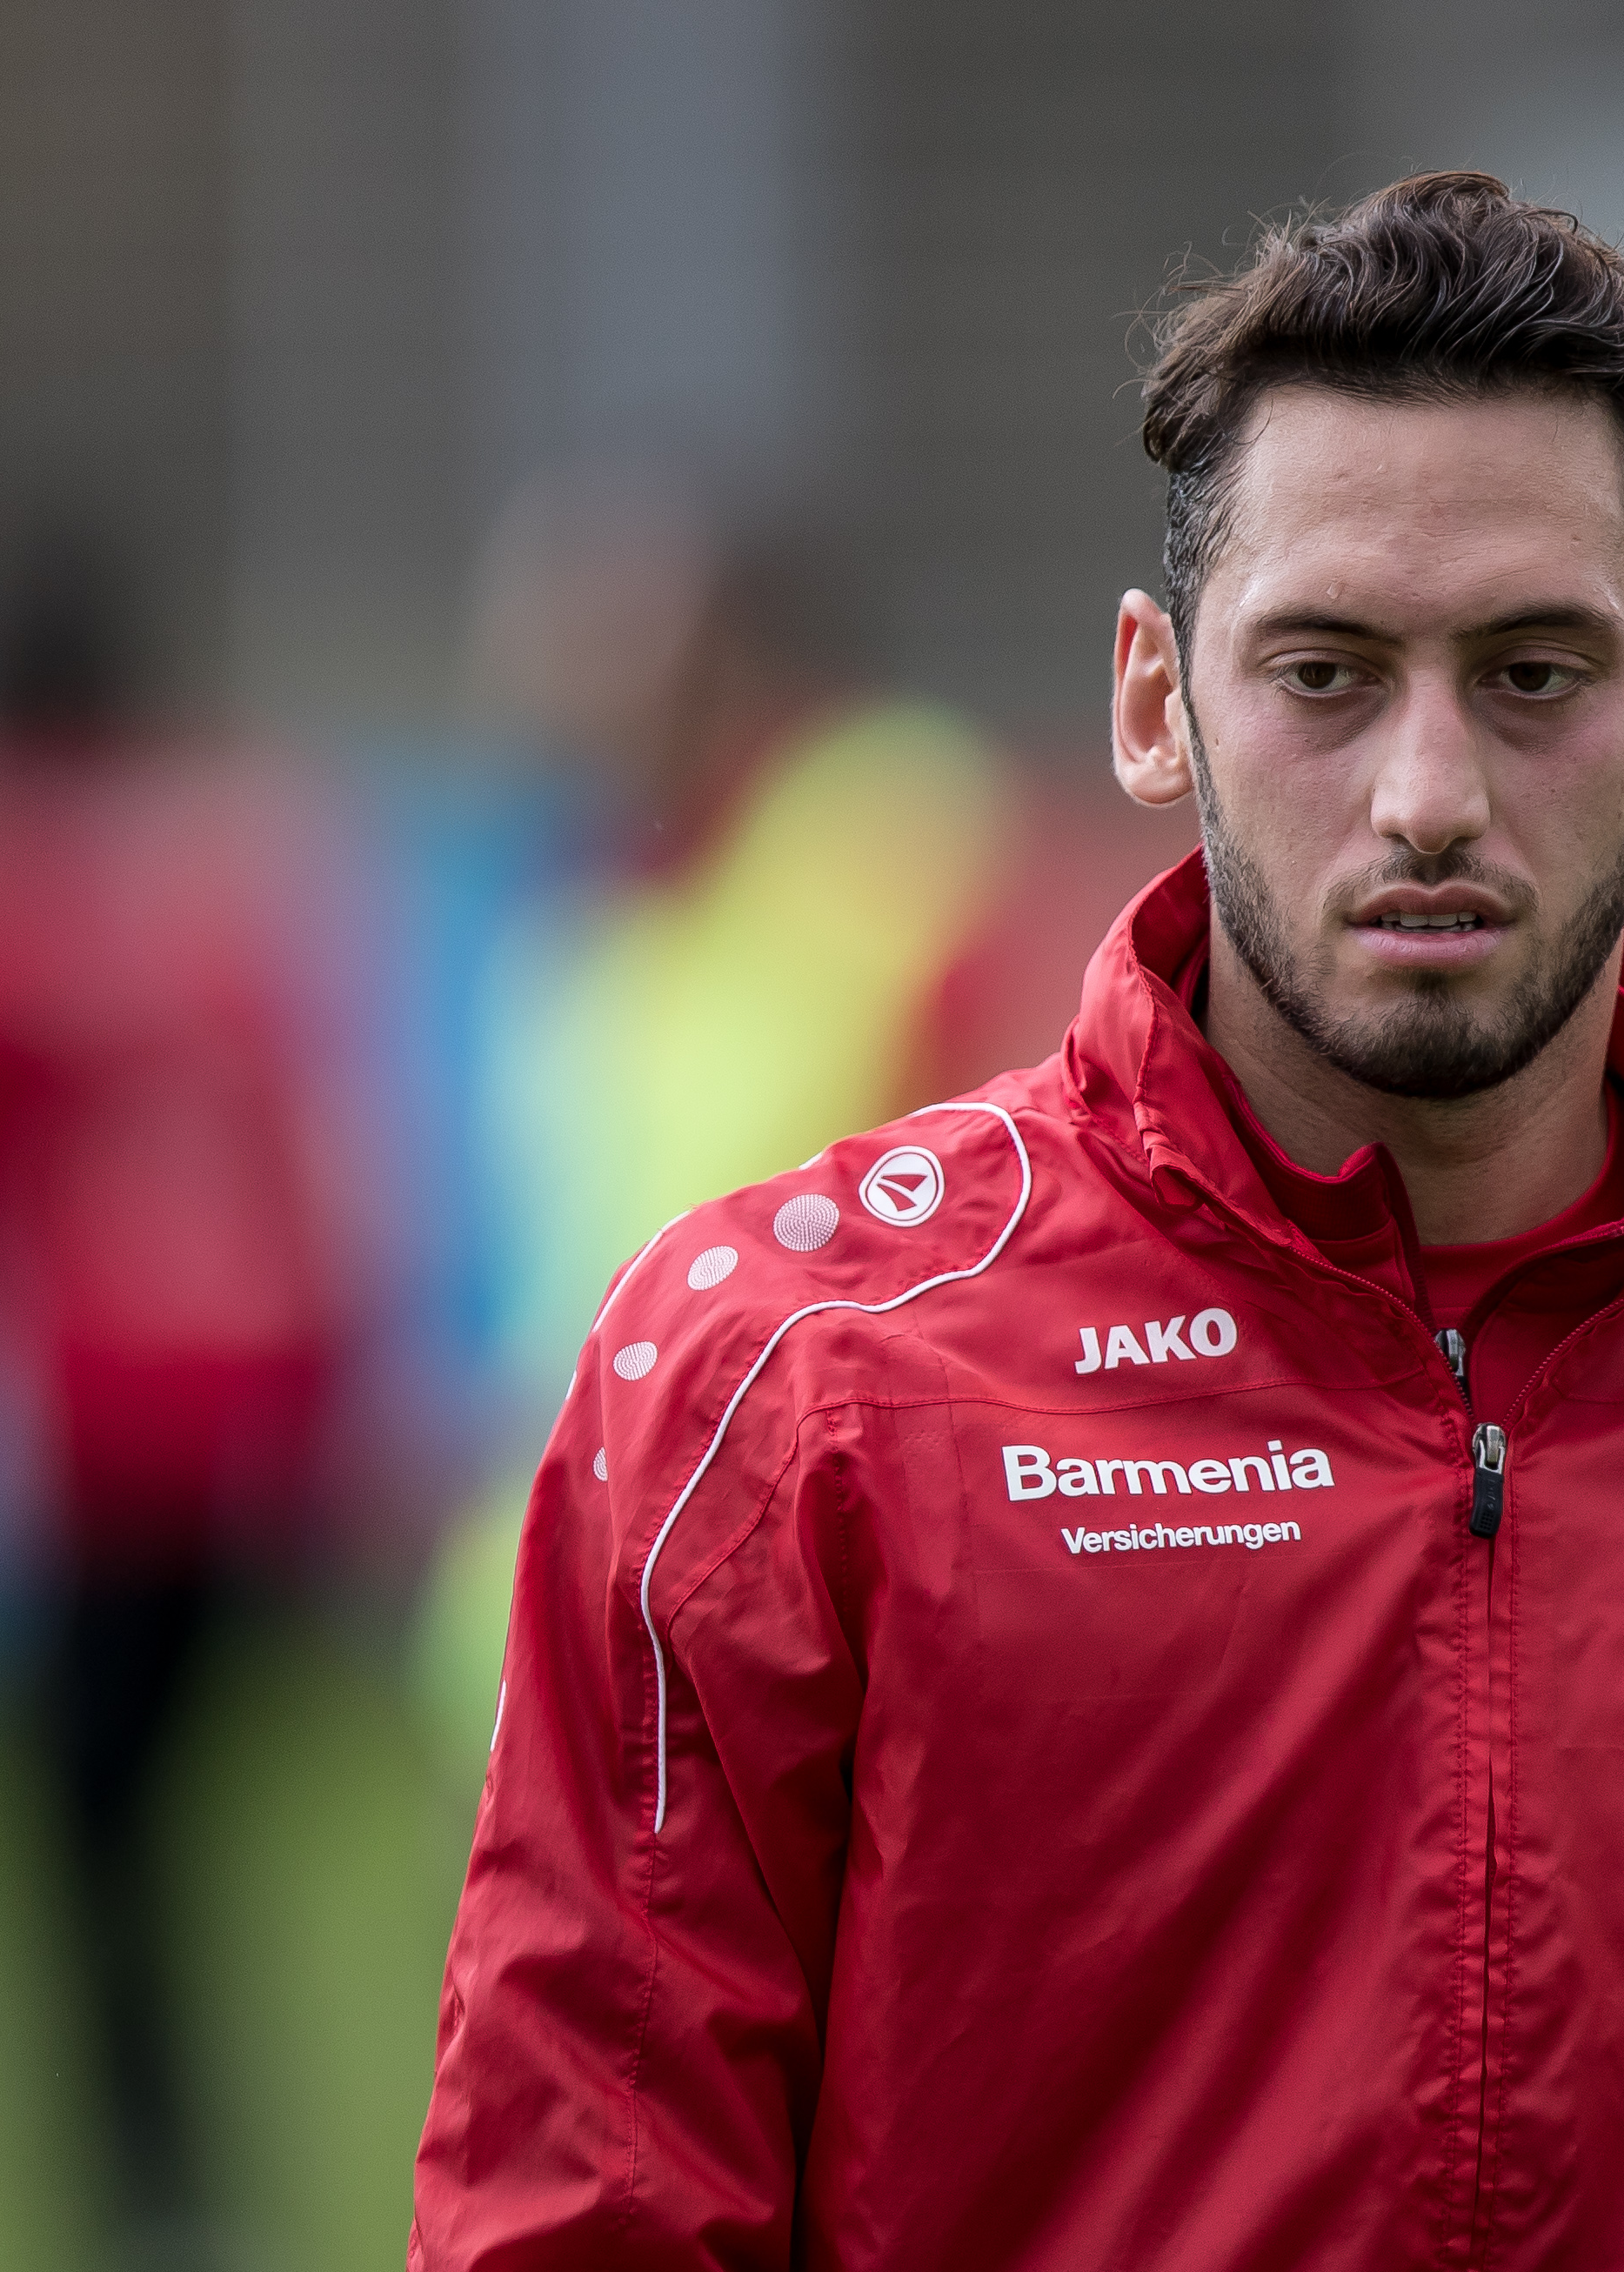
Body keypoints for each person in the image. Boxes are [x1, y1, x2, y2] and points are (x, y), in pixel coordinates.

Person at [410, 172, 1624, 2272]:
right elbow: (578, 2234)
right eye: (1327, 673)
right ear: (1156, 703)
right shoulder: (786, 1383)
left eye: (1535, 673)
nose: (1428, 788)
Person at [416, 474, 1180, 1771]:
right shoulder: (586, 905)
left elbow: (1048, 1152)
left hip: (823, 1543)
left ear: (723, 638)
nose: (556, 667)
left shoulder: (890, 825)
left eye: (604, 618)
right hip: (589, 1549)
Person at [0, 524, 373, 2272]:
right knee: (205, 1835)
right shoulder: (233, 859)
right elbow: (314, 1158)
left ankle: (149, 2198)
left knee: (91, 1851)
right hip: (249, 1421)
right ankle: (197, 2181)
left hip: (81, 1445)